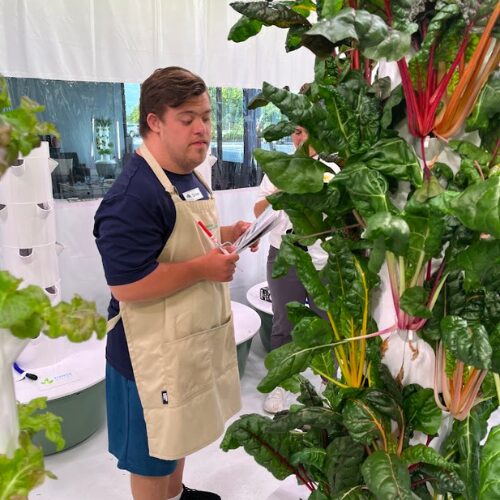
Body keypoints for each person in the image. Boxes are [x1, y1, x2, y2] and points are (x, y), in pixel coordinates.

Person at [94, 66, 255, 500]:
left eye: (206, 117)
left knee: (177, 434)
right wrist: (205, 269)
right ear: (154, 121)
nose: (202, 129)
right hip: (146, 355)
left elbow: (180, 241)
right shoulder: (134, 195)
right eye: (188, 119)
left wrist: (229, 236)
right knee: (151, 454)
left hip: (184, 338)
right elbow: (127, 286)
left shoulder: (189, 175)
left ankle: (176, 494)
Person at [254, 125, 339, 414]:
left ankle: (331, 386)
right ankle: (280, 383)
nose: (299, 138)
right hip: (284, 256)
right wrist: (283, 188)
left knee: (328, 322)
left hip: (321, 260)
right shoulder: (279, 168)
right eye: (296, 132)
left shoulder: (330, 170)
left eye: (305, 131)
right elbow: (258, 211)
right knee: (283, 323)